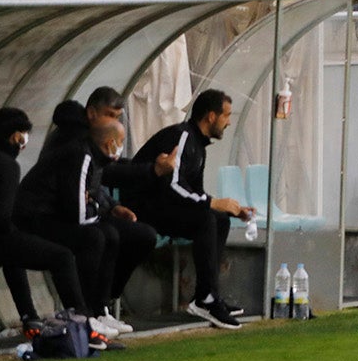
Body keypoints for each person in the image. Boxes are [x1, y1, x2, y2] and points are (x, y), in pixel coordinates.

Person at [15, 107, 158, 335]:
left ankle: (99, 309)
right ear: (109, 141)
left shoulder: (94, 157)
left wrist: (100, 206)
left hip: (54, 215)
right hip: (36, 219)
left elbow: (87, 200)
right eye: (120, 141)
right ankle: (82, 313)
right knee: (94, 236)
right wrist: (98, 208)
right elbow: (79, 213)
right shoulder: (81, 155)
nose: (121, 146)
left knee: (111, 234)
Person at [0, 108, 90, 333]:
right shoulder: (7, 165)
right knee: (61, 256)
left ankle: (30, 317)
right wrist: (15, 233)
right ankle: (83, 322)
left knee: (14, 252)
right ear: (16, 136)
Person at [126, 90, 254, 330]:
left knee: (220, 219)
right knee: (207, 217)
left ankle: (209, 294)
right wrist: (212, 203)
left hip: (164, 207)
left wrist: (229, 208)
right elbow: (172, 185)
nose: (229, 122)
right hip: (143, 209)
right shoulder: (181, 137)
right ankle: (205, 299)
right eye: (226, 116)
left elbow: (194, 194)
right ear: (211, 116)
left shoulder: (199, 146)